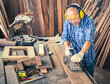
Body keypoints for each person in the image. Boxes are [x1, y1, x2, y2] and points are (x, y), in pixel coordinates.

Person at [62, 3, 96, 77]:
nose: (73, 21)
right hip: (74, 55)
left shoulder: (89, 22)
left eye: (75, 18)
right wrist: (67, 48)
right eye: (70, 19)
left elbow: (89, 40)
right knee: (78, 77)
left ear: (81, 14)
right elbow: (65, 36)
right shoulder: (68, 21)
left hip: (87, 56)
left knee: (89, 77)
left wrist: (81, 54)